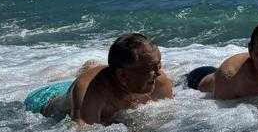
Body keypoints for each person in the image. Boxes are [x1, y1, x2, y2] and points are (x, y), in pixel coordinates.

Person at [24, 32, 173, 126]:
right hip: (43, 100)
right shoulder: (92, 93)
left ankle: (90, 67)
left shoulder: (159, 81)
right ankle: (87, 70)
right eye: (149, 69)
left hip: (96, 81)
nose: (158, 73)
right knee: (88, 80)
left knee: (92, 69)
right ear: (123, 75)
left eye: (158, 65)